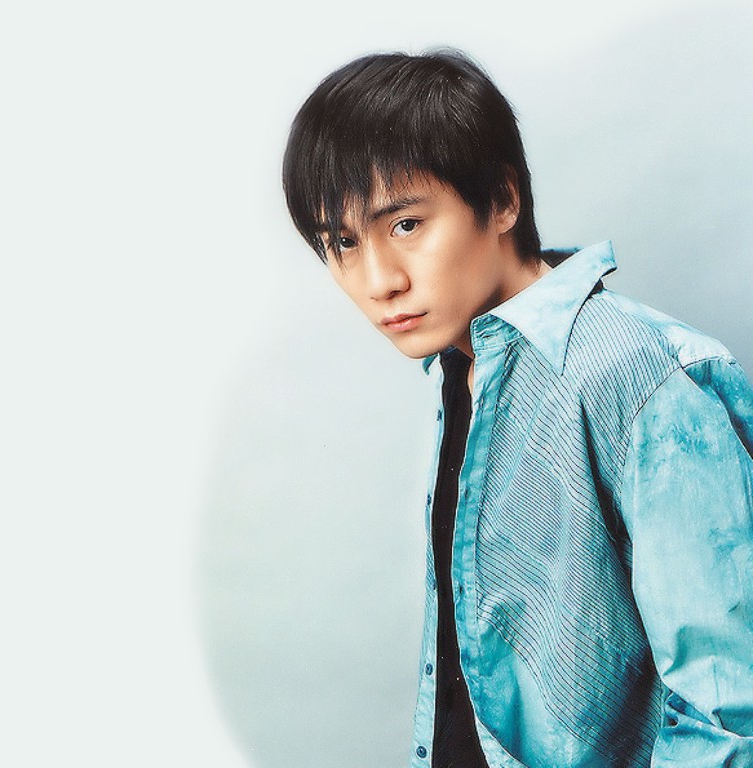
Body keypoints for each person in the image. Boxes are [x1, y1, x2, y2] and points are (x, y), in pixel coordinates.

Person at [281, 50, 753, 767]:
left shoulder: (639, 373)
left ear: (502, 201)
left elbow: (731, 706)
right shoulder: (464, 367)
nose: (378, 280)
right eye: (342, 242)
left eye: (405, 225)